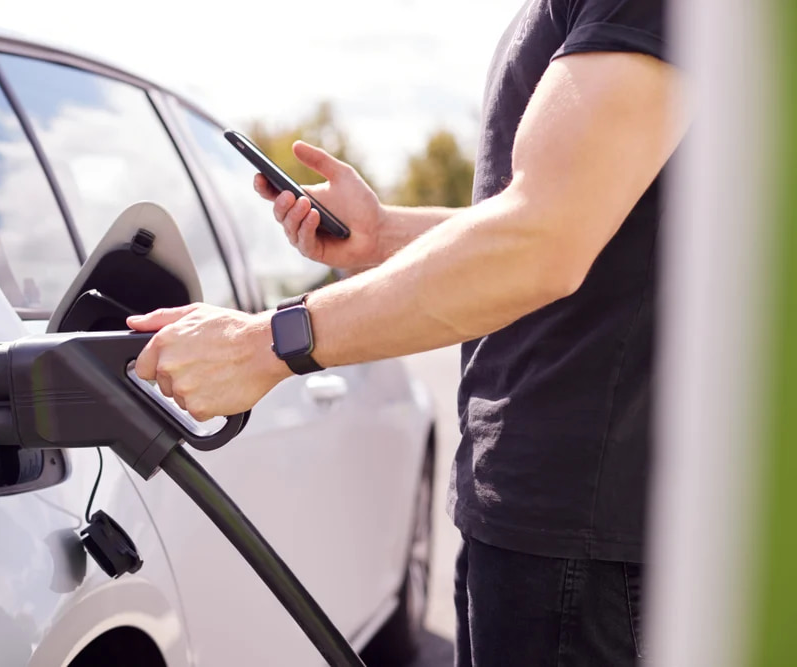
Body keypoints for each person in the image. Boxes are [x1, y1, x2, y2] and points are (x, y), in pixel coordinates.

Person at [127, 0, 683, 663]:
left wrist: (264, 343)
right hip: (521, 513)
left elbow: (542, 239)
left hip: (580, 534)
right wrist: (384, 233)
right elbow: (563, 213)